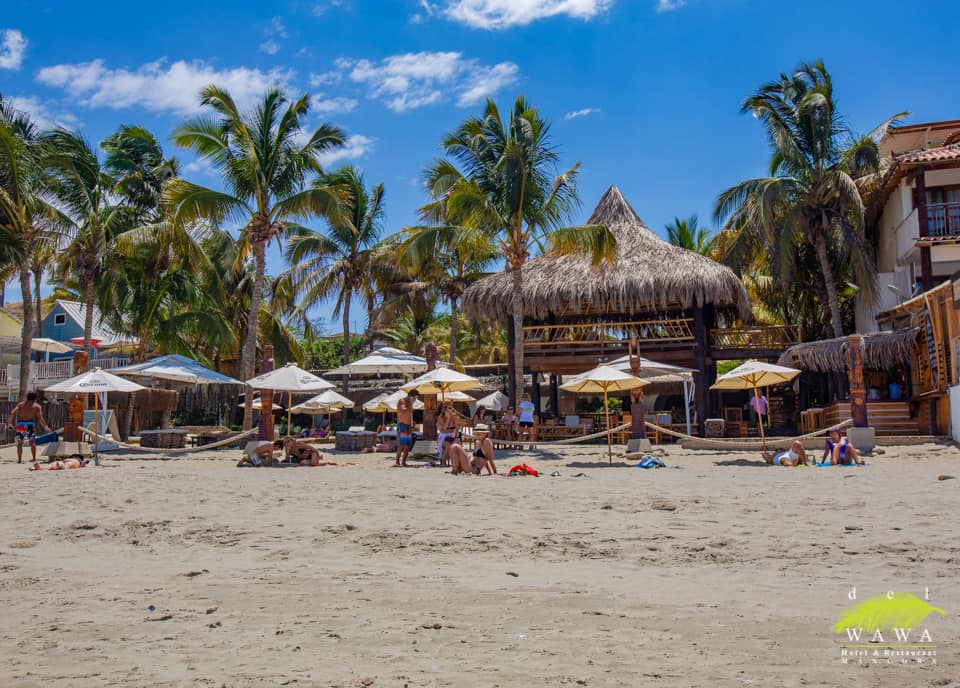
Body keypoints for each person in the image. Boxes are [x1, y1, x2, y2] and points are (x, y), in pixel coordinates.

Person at [8, 392, 52, 464]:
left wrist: (9, 423)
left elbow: (12, 412)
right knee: (32, 442)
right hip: (30, 424)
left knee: (20, 443)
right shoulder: (37, 406)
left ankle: (19, 460)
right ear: (35, 398)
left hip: (21, 424)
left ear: (27, 397)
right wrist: (45, 427)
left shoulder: (21, 405)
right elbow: (40, 418)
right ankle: (34, 459)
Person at [394, 390, 419, 467]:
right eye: (415, 398)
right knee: (402, 444)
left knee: (408, 445)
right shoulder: (402, 401)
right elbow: (403, 410)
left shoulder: (410, 403)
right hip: (402, 424)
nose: (415, 400)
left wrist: (411, 423)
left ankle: (404, 461)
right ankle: (397, 461)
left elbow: (409, 414)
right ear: (411, 396)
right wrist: (410, 403)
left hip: (408, 425)